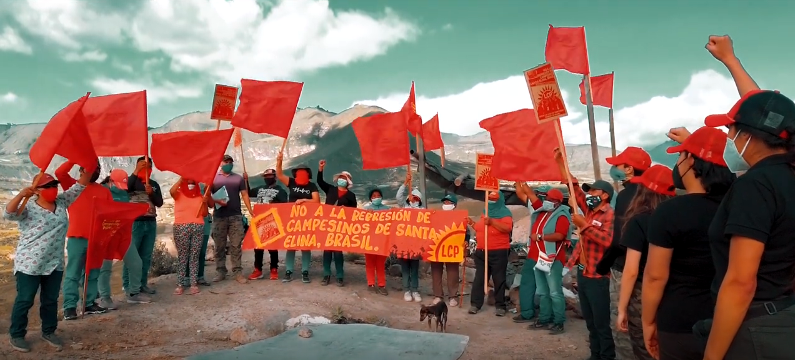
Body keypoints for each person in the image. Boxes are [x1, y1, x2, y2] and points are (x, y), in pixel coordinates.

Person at [700, 34, 795, 360]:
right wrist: (731, 60)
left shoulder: (756, 185)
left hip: (757, 328)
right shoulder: (787, 174)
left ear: (750, 136)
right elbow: (769, 112)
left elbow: (741, 283)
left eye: (732, 129)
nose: (728, 136)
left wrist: (711, 356)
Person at [642, 126, 735, 360]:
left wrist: (648, 321)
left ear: (691, 161)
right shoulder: (740, 205)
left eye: (680, 156)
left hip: (679, 323)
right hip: (729, 321)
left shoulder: (671, 211)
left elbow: (655, 276)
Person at [6, 170, 92, 353]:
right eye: (48, 186)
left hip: (54, 263)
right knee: (25, 299)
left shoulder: (61, 202)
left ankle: (49, 331)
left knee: (51, 300)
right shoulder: (27, 208)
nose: (53, 189)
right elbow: (9, 213)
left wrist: (88, 166)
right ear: (37, 190)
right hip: (30, 263)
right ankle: (17, 334)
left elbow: (80, 186)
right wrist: (22, 194)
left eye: (54, 185)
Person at [553, 147, 616, 360]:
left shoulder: (609, 215)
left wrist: (585, 226)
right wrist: (561, 163)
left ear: (605, 195)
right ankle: (594, 355)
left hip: (598, 278)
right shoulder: (588, 210)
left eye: (594, 192)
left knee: (601, 324)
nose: (589, 195)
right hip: (583, 273)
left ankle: (606, 356)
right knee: (590, 322)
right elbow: (573, 187)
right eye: (589, 192)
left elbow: (607, 241)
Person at [613, 165, 675, 360]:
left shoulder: (639, 221)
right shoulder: (677, 218)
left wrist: (622, 308)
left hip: (643, 293)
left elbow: (631, 270)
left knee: (645, 348)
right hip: (673, 292)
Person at [597, 146, 652, 359]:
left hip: (627, 269)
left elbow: (620, 241)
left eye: (617, 165)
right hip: (653, 270)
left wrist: (603, 265)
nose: (613, 168)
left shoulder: (627, 195)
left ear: (629, 169)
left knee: (624, 329)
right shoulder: (655, 192)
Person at [54, 160, 112, 320]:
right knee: (73, 273)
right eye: (91, 167)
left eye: (98, 168)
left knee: (93, 273)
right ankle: (69, 307)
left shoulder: (104, 191)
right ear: (81, 170)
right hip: (77, 237)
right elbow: (60, 173)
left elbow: (110, 215)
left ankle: (89, 303)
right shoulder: (72, 186)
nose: (95, 170)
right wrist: (75, 158)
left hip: (98, 239)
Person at [513, 184, 571, 335]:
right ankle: (545, 319)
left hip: (552, 258)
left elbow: (560, 235)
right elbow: (532, 197)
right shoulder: (543, 211)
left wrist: (540, 237)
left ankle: (558, 321)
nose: (547, 201)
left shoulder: (562, 216)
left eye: (551, 199)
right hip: (538, 257)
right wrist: (522, 183)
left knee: (554, 292)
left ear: (558, 202)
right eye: (546, 198)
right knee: (543, 292)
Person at [206, 155, 254, 284]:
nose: (228, 164)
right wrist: (217, 201)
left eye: (230, 162)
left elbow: (244, 194)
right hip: (219, 216)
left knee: (236, 245)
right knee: (219, 246)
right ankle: (221, 271)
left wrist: (250, 210)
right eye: (226, 161)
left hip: (236, 216)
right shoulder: (213, 178)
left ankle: (237, 272)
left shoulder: (238, 178)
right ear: (220, 163)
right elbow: (207, 197)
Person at [274, 152, 320, 283]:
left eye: (303, 171)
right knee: (291, 245)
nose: (301, 173)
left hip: (306, 220)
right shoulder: (292, 182)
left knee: (305, 245)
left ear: (308, 173)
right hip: (292, 219)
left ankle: (305, 271)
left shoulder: (312, 186)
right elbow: (279, 174)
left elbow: (316, 201)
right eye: (299, 171)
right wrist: (279, 161)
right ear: (295, 173)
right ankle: (289, 271)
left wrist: (304, 200)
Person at [468, 190, 514, 316]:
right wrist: (471, 223)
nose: (491, 201)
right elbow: (480, 228)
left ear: (499, 200)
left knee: (499, 279)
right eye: (489, 199)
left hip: (499, 251)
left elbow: (507, 228)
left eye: (494, 199)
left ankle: (500, 306)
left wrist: (493, 222)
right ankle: (475, 304)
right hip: (482, 251)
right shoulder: (485, 212)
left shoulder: (505, 213)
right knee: (480, 279)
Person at [124, 157, 164, 298]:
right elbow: (126, 189)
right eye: (142, 165)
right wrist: (137, 171)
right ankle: (128, 285)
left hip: (150, 222)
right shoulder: (132, 181)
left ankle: (142, 284)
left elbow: (159, 203)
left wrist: (151, 193)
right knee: (131, 255)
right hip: (135, 222)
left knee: (145, 256)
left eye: (148, 166)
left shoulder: (153, 184)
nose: (145, 168)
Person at [96, 169, 132, 310]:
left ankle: (102, 297)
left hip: (115, 234)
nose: (120, 188)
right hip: (102, 235)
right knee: (102, 267)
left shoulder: (123, 193)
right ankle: (103, 298)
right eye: (117, 184)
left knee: (107, 267)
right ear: (110, 181)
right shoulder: (101, 191)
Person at [316, 160, 356, 286]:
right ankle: (326, 275)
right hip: (328, 225)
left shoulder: (351, 195)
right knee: (327, 251)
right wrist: (320, 168)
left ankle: (340, 276)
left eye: (344, 178)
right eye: (341, 177)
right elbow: (320, 182)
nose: (342, 179)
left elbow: (354, 212)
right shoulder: (330, 190)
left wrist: (347, 211)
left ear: (348, 181)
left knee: (338, 252)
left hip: (341, 227)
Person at [247, 169, 288, 281]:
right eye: (266, 176)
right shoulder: (259, 188)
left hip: (273, 221)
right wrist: (246, 181)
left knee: (272, 247)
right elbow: (248, 193)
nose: (268, 178)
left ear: (275, 177)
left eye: (270, 176)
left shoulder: (280, 191)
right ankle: (258, 269)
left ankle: (274, 269)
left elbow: (285, 206)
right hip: (259, 220)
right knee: (258, 247)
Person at [170, 177, 207, 295]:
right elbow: (171, 191)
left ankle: (193, 284)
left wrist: (205, 202)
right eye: (188, 183)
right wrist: (181, 179)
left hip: (198, 227)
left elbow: (205, 213)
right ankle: (180, 284)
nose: (190, 185)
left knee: (194, 256)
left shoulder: (200, 196)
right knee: (183, 256)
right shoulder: (179, 194)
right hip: (181, 227)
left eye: (193, 183)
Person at [429, 193, 463, 306]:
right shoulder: (436, 216)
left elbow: (465, 233)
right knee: (436, 272)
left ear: (455, 205)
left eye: (449, 202)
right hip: (436, 248)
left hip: (452, 249)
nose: (446, 204)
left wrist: (465, 242)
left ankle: (453, 296)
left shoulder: (460, 217)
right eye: (445, 202)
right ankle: (438, 295)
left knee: (453, 273)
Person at [396, 172, 424, 302]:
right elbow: (398, 196)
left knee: (415, 268)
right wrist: (405, 183)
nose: (414, 200)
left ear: (420, 200)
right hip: (403, 244)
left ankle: (415, 290)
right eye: (412, 197)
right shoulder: (404, 208)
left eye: (417, 198)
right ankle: (406, 290)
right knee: (405, 269)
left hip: (416, 245)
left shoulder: (423, 211)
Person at [363, 187, 390, 295]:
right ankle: (371, 284)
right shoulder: (366, 209)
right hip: (369, 240)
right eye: (374, 196)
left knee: (380, 264)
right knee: (370, 263)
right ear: (370, 199)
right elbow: (360, 223)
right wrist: (366, 216)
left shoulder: (387, 209)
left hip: (383, 241)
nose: (376, 197)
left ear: (381, 197)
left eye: (378, 196)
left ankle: (382, 285)